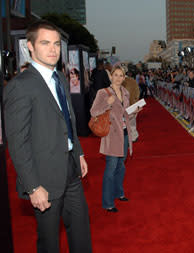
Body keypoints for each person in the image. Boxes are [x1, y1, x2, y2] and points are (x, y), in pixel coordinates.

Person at [4, 20, 92, 252]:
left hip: (71, 169)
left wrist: (79, 153)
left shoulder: (61, 78)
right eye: (45, 43)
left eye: (56, 44)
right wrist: (33, 187)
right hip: (44, 177)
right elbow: (18, 142)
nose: (53, 49)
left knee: (82, 232)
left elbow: (69, 121)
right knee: (49, 242)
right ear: (30, 47)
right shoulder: (20, 86)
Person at [90, 66, 135, 212]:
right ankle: (108, 202)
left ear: (124, 78)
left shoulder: (125, 92)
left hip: (124, 133)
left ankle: (118, 193)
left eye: (121, 75)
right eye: (115, 75)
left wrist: (134, 111)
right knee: (110, 169)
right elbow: (93, 111)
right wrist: (107, 103)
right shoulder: (103, 92)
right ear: (111, 77)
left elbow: (125, 114)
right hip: (111, 135)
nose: (118, 78)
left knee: (121, 167)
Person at [121, 68, 140, 142]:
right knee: (132, 121)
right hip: (133, 103)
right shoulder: (133, 81)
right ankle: (134, 136)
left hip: (124, 105)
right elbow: (137, 92)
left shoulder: (118, 81)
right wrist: (135, 100)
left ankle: (127, 137)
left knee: (124, 122)